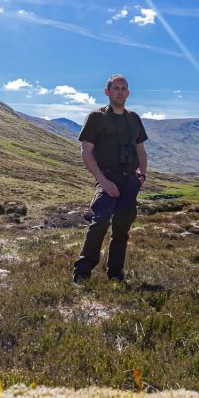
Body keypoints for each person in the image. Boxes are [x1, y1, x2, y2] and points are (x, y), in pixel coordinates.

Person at [72, 74, 148, 284]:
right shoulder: (96, 117)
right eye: (116, 88)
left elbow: (141, 150)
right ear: (107, 92)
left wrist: (142, 175)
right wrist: (103, 182)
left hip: (130, 181)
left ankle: (115, 273)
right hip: (107, 178)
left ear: (128, 93)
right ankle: (82, 272)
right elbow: (86, 152)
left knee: (122, 228)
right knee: (100, 221)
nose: (120, 91)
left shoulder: (134, 119)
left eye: (123, 88)